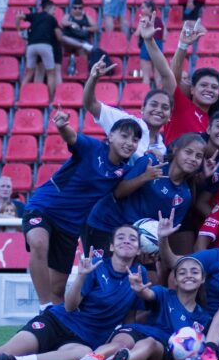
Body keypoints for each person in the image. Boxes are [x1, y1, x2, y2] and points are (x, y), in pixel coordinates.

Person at [0, 227, 146, 360]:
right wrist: (80, 277)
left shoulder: (140, 275)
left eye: (133, 239)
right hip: (57, 322)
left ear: (138, 249)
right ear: (111, 245)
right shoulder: (96, 267)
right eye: (121, 237)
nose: (127, 241)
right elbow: (69, 307)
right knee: (2, 352)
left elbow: (129, 320)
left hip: (84, 340)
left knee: (83, 353)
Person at [22, 108, 141, 306]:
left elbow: (121, 191)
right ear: (110, 135)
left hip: (70, 227)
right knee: (38, 243)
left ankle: (55, 325)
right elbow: (72, 137)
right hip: (44, 207)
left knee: (58, 288)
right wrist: (62, 126)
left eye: (135, 140)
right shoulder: (92, 148)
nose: (129, 143)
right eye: (124, 136)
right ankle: (44, 307)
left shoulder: (124, 170)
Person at [76, 256, 212, 360]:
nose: (188, 276)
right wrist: (139, 289)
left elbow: (200, 349)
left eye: (194, 272)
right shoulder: (164, 293)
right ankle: (93, 358)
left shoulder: (203, 318)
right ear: (175, 280)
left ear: (203, 278)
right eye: (182, 273)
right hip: (139, 331)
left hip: (163, 346)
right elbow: (148, 294)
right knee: (122, 343)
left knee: (150, 343)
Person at [82, 134, 205, 256]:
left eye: (199, 156)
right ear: (175, 149)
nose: (193, 158)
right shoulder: (151, 162)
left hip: (137, 242)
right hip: (106, 225)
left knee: (148, 276)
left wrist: (153, 250)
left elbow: (166, 232)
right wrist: (144, 177)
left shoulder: (185, 196)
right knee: (99, 272)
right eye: (188, 152)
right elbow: (118, 193)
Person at [84, 58, 170, 160]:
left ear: (170, 115)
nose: (159, 110)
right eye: (154, 105)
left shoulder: (162, 148)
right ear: (142, 108)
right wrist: (93, 79)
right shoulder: (125, 121)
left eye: (165, 107)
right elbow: (91, 105)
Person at [17, 0, 62, 101]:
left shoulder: (35, 16)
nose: (55, 12)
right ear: (49, 8)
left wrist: (19, 31)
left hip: (31, 46)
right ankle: (51, 99)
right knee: (50, 73)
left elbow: (18, 16)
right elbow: (59, 36)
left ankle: (20, 97)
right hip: (45, 46)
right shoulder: (51, 18)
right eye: (54, 9)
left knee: (29, 74)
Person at [60, 0, 96, 73]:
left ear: (82, 8)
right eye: (75, 8)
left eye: (79, 8)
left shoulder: (86, 17)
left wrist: (86, 28)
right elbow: (63, 23)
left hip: (82, 40)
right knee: (61, 42)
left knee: (82, 50)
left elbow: (96, 28)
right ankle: (61, 71)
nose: (77, 10)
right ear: (72, 8)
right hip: (69, 43)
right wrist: (72, 23)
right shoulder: (68, 16)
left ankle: (84, 72)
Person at [135, 0, 165, 88]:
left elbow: (137, 33)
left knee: (146, 78)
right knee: (158, 78)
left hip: (147, 45)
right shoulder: (160, 20)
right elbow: (164, 36)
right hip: (158, 46)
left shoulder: (144, 19)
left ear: (150, 8)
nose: (141, 10)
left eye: (143, 7)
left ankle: (146, 99)